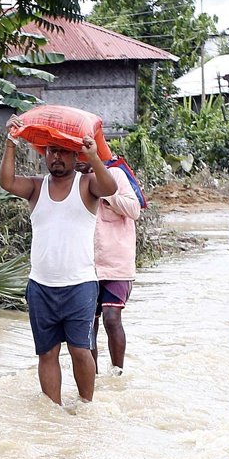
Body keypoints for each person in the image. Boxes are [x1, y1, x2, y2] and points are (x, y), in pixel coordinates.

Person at [0, 125, 117, 405]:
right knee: (47, 353)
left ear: (76, 155)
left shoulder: (87, 184)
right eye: (52, 151)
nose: (57, 157)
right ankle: (53, 412)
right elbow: (6, 182)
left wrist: (95, 157)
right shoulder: (35, 187)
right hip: (41, 286)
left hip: (80, 285)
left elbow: (110, 187)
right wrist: (10, 143)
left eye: (64, 151)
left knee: (80, 349)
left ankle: (86, 406)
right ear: (45, 154)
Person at [76, 156, 140, 377]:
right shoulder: (74, 181)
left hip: (117, 263)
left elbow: (134, 209)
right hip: (85, 264)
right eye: (73, 155)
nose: (78, 160)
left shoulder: (116, 176)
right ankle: (91, 375)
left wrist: (106, 191)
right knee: (87, 324)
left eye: (82, 154)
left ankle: (117, 372)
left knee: (111, 318)